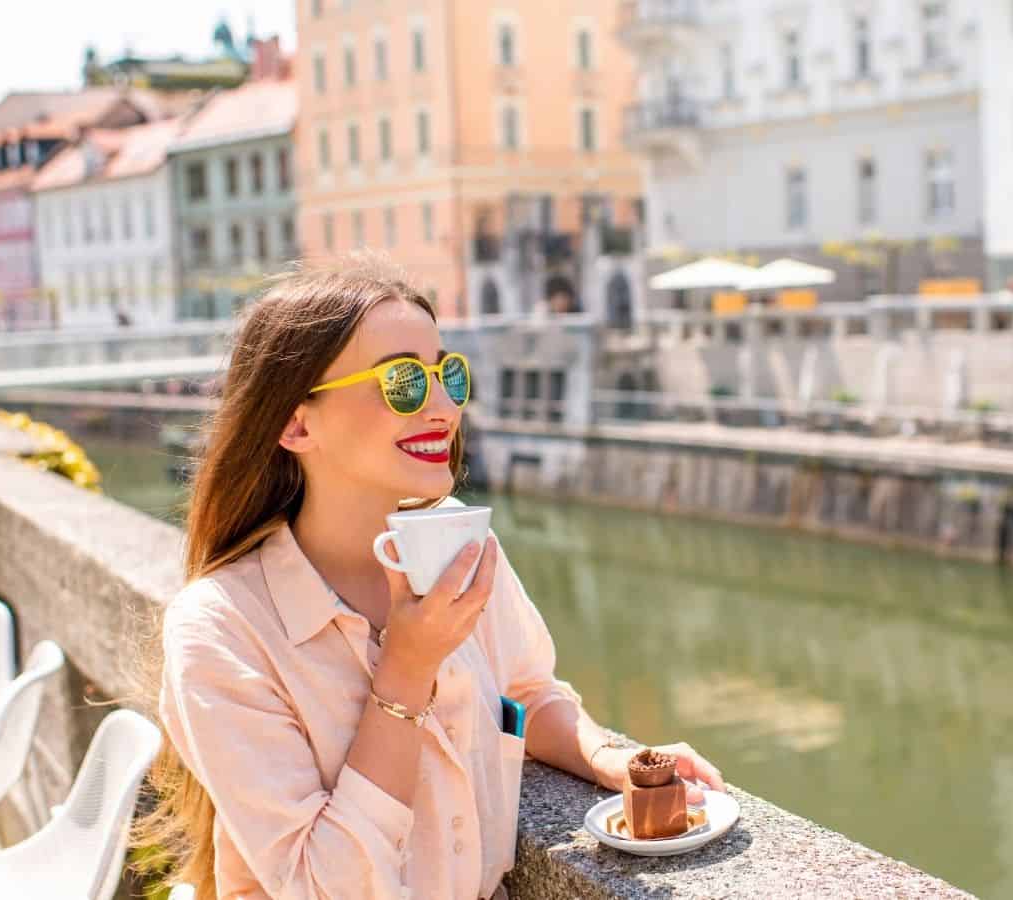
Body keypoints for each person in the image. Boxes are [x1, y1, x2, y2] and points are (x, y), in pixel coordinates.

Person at [136, 254, 725, 900]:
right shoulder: (220, 629)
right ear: (296, 423)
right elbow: (320, 886)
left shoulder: (457, 547)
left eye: (448, 375)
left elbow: (526, 688)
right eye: (403, 383)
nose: (442, 405)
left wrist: (608, 759)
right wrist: (407, 669)